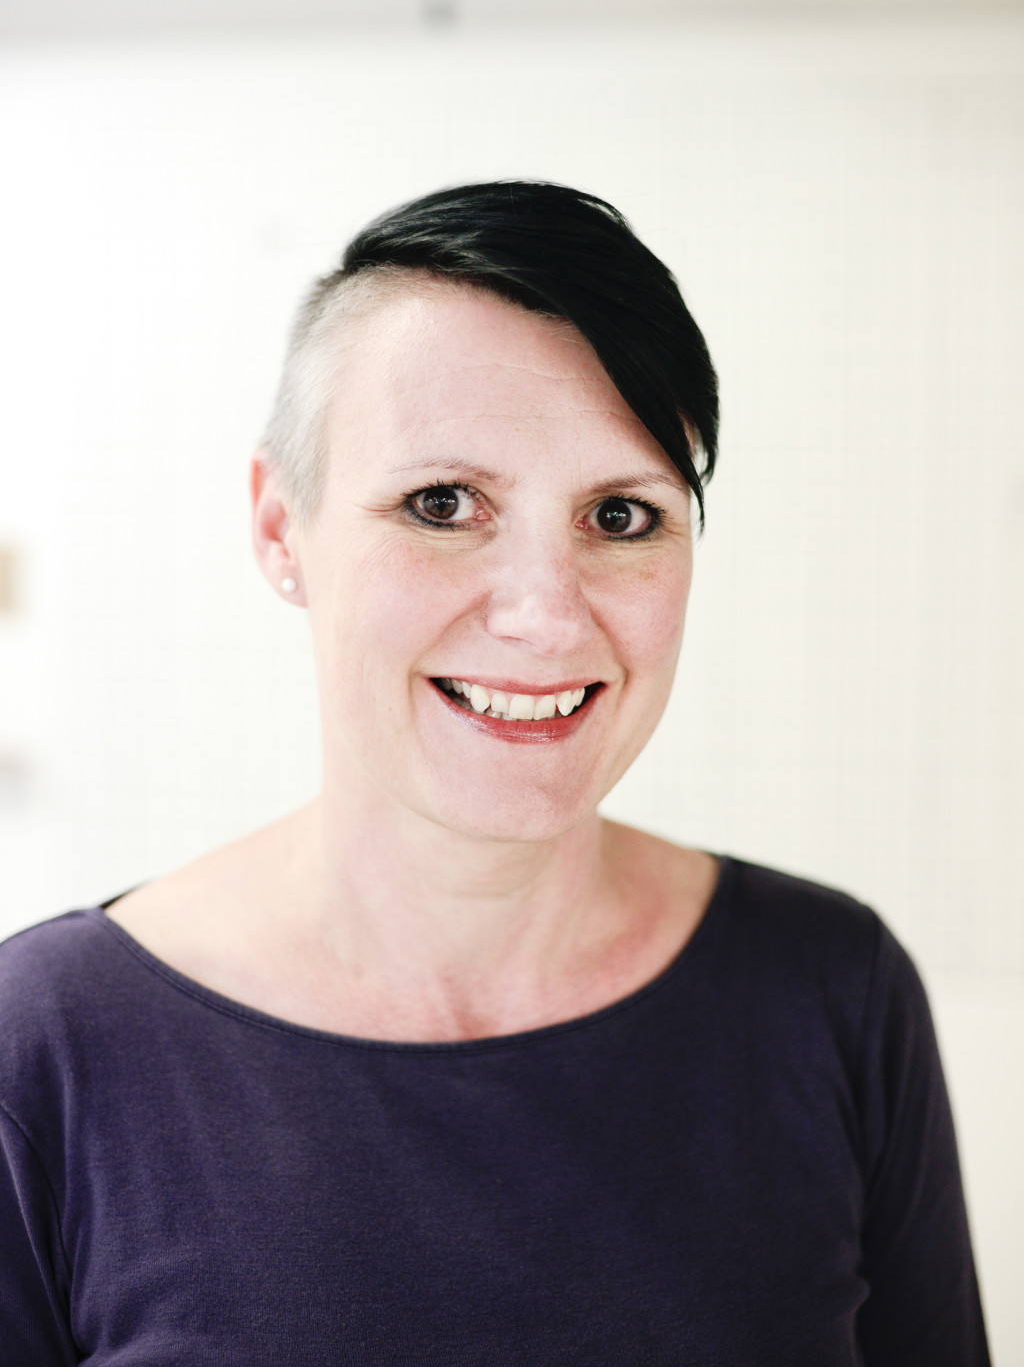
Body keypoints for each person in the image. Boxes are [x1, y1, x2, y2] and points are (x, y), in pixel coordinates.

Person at [0, 181, 989, 1365]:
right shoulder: (45, 1048)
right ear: (280, 528)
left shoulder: (832, 993)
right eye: (441, 504)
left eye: (620, 517)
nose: (545, 616)